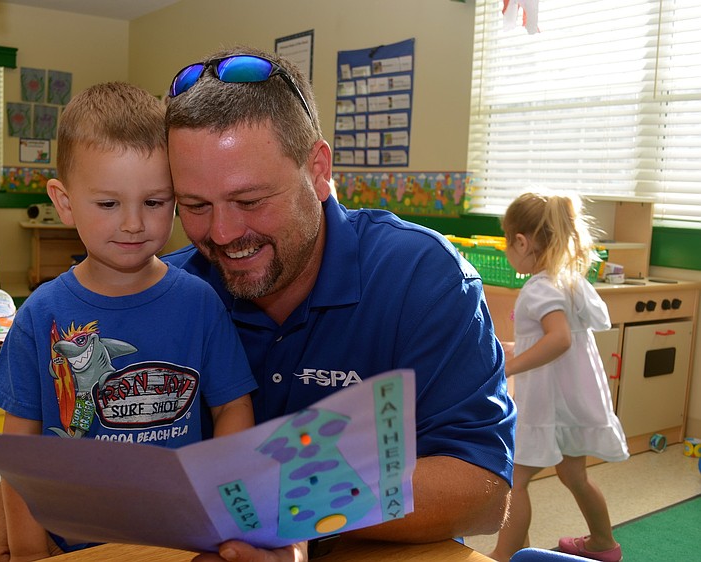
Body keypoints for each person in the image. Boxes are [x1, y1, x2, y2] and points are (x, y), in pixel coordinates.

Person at [162, 46, 516, 562]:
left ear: (318, 170)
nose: (222, 233)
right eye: (194, 206)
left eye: (251, 201)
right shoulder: (171, 291)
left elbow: (482, 491)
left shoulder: (422, 278)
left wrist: (291, 517)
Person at [0, 82, 257, 561]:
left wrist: (221, 507)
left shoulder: (201, 303)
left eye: (154, 202)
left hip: (179, 541)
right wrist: (27, 552)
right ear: (64, 202)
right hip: (72, 547)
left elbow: (232, 408)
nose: (133, 223)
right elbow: (19, 454)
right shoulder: (40, 315)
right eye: (108, 204)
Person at [487, 191, 629, 562]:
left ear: (521, 241)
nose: (507, 250)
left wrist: (509, 367)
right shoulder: (566, 280)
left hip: (549, 407)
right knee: (574, 476)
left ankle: (503, 554)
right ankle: (603, 543)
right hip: (573, 402)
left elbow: (559, 340)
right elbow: (552, 339)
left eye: (506, 241)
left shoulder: (538, 288)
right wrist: (513, 347)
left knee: (514, 480)